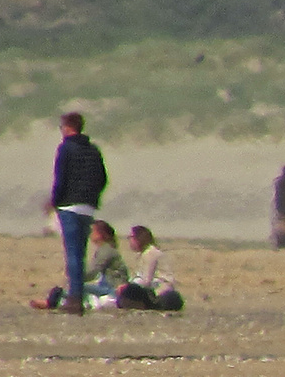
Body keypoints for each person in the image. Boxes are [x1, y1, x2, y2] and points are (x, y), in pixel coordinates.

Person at [43, 111, 108, 316]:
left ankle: (74, 298)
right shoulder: (93, 150)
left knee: (72, 253)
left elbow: (60, 178)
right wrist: (92, 196)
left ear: (68, 127)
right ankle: (76, 295)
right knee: (81, 251)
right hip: (87, 206)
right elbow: (102, 178)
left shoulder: (65, 148)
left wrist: (54, 201)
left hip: (69, 205)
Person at [116, 225, 184, 311]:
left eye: (131, 238)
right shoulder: (145, 253)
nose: (129, 241)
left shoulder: (150, 253)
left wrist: (127, 287)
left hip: (159, 292)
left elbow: (146, 281)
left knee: (129, 290)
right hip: (153, 289)